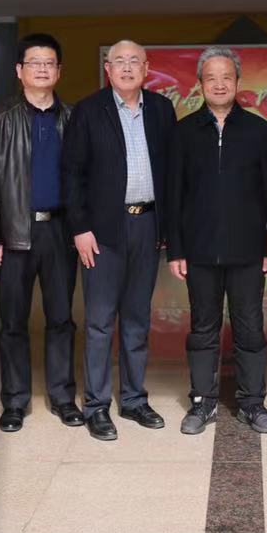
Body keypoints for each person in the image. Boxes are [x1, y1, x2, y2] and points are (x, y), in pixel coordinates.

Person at [62, 39, 176, 441]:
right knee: (99, 321)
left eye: (134, 61)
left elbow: (172, 172)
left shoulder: (161, 110)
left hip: (148, 224)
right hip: (102, 231)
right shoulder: (88, 111)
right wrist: (80, 228)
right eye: (119, 62)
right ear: (107, 69)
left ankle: (133, 399)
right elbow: (72, 174)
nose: (127, 68)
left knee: (137, 318)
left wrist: (168, 228)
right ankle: (96, 405)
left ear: (146, 67)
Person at [165, 47, 267, 436]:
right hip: (199, 250)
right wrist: (176, 249)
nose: (219, 84)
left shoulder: (259, 131)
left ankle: (252, 402)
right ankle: (203, 402)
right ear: (200, 83)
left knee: (250, 328)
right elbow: (174, 194)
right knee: (202, 328)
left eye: (226, 77)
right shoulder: (183, 132)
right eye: (211, 77)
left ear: (237, 82)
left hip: (249, 251)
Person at [0, 32, 83, 432]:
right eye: (34, 63)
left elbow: (83, 181)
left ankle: (62, 397)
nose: (42, 69)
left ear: (59, 71)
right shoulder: (0, 118)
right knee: (13, 322)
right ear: (19, 71)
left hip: (60, 232)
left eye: (49, 63)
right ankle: (15, 401)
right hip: (15, 233)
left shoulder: (73, 118)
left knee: (61, 319)